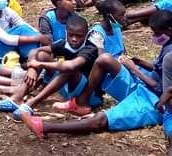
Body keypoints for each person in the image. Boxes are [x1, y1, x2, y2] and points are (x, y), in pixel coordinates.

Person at [18, 9, 172, 139]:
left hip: (155, 100)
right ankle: (81, 103)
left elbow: (164, 92)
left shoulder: (169, 57)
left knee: (99, 120)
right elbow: (159, 70)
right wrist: (139, 62)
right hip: (144, 86)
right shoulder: (167, 47)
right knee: (105, 59)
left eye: (156, 33)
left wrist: (134, 69)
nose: (153, 36)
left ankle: (43, 126)